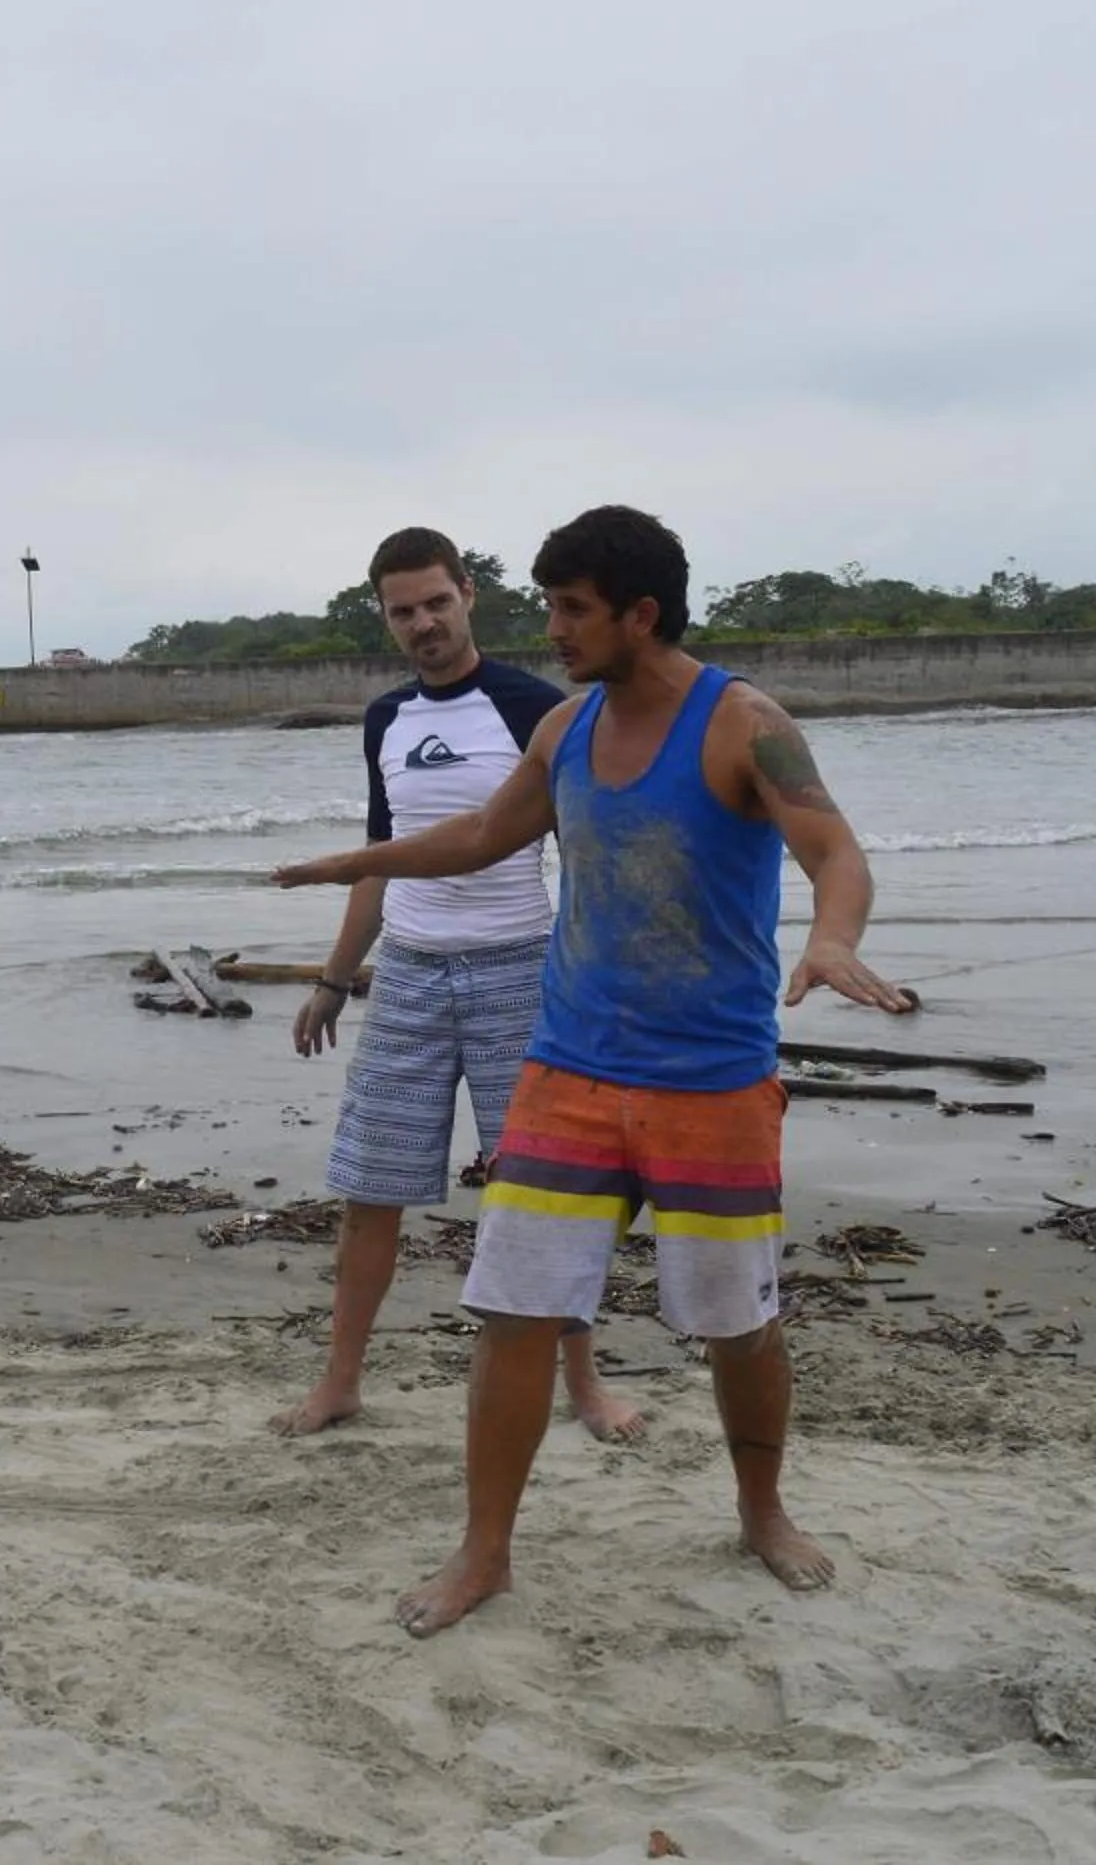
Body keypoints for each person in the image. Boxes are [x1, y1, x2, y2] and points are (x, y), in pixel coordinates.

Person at [276, 505, 912, 1636]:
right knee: (513, 1312)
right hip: (568, 1069)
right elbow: (480, 836)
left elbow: (834, 847)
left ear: (640, 613)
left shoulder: (741, 723)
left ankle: (762, 1509)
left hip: (712, 1079)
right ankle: (485, 1553)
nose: (553, 629)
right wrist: (357, 861)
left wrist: (834, 937)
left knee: (737, 1326)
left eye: (573, 610)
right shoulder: (564, 729)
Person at [274, 527, 640, 1447]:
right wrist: (333, 978)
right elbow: (382, 860)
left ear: (468, 593)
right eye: (403, 611)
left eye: (436, 602)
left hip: (521, 972)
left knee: (543, 1194)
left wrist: (594, 982)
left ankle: (585, 1385)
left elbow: (581, 854)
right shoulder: (385, 721)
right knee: (370, 1189)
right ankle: (341, 1382)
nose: (423, 623)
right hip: (409, 975)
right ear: (385, 619)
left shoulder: (535, 710)